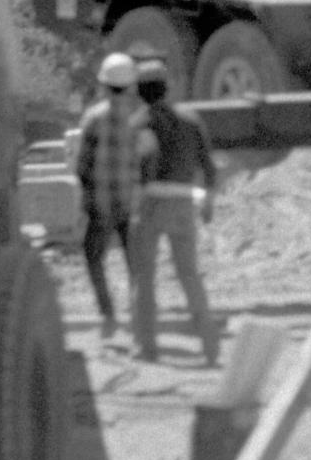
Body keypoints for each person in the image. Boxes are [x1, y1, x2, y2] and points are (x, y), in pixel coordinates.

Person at [128, 55, 223, 364]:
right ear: (166, 88)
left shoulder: (139, 123)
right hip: (184, 203)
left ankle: (147, 347)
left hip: (152, 203)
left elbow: (135, 169)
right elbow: (209, 169)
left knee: (144, 277)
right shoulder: (191, 120)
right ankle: (210, 346)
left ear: (139, 91)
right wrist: (208, 201)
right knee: (189, 275)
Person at [70, 51, 155, 343]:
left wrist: (85, 196)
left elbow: (81, 166)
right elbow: (146, 162)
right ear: (132, 85)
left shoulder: (94, 118)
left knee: (93, 257)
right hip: (129, 204)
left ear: (105, 85)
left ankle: (108, 316)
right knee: (135, 264)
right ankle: (139, 321)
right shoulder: (139, 119)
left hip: (100, 203)